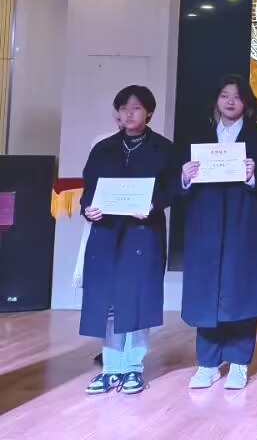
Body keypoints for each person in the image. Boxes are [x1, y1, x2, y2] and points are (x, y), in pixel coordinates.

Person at [180, 74, 257, 391]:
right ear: (216, 100)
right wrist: (185, 177)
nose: (230, 101)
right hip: (206, 222)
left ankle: (239, 362)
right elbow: (173, 179)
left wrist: (255, 176)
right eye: (224, 95)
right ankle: (208, 363)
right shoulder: (199, 135)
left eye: (236, 96)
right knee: (206, 290)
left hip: (245, 222)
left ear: (247, 103)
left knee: (242, 290)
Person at [79, 85, 178, 395]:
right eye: (124, 108)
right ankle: (110, 368)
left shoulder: (163, 148)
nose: (129, 114)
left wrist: (154, 205)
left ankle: (133, 366)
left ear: (149, 112)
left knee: (137, 300)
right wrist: (88, 209)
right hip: (107, 232)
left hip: (143, 232)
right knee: (108, 301)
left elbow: (173, 189)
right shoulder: (104, 148)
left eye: (136, 108)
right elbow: (88, 190)